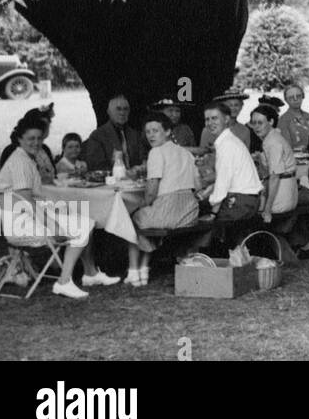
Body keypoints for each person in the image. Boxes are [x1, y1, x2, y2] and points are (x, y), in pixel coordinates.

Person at [0, 115, 117, 299]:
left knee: (87, 220)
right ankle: (64, 281)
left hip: (27, 217)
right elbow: (27, 200)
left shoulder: (26, 158)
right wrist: (52, 224)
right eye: (30, 139)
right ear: (19, 139)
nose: (36, 143)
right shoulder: (19, 162)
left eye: (39, 138)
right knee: (83, 225)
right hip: (19, 225)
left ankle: (90, 274)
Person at [128, 111, 202, 287]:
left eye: (156, 130)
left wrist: (143, 204)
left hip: (168, 212)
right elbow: (198, 186)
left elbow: (152, 189)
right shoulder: (185, 153)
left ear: (168, 132)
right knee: (147, 217)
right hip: (189, 212)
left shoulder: (156, 152)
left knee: (129, 218)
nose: (151, 135)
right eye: (148, 132)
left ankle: (136, 270)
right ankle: (144, 268)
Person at [197, 100, 263, 251]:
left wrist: (213, 211)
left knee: (203, 219)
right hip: (248, 199)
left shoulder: (227, 144)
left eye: (215, 118)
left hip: (241, 201)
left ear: (226, 119)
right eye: (207, 119)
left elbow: (223, 182)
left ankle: (201, 258)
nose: (210, 123)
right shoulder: (228, 140)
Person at [250, 104, 298, 224]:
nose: (256, 127)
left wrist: (267, 209)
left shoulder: (273, 142)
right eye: (253, 123)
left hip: (282, 193)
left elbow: (275, 177)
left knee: (253, 216)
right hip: (284, 188)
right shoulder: (271, 138)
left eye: (260, 123)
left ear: (271, 121)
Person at [82, 93, 146, 172]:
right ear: (109, 112)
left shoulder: (135, 135)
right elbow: (96, 166)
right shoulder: (98, 136)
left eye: (125, 109)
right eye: (118, 109)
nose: (122, 113)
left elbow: (142, 159)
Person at [278, 83, 309, 153]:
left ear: (303, 96)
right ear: (286, 100)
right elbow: (286, 147)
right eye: (291, 97)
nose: (295, 99)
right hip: (295, 159)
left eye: (298, 96)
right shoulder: (283, 120)